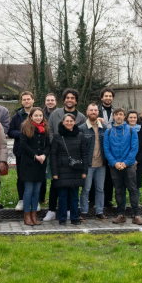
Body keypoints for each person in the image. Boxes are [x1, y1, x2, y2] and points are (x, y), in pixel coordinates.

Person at [47, 88, 86, 219]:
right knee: (56, 184)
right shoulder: (55, 114)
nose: (70, 100)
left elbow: (81, 136)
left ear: (76, 101)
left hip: (74, 159)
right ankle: (52, 210)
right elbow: (50, 130)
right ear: (64, 100)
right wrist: (58, 144)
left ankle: (70, 212)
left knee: (73, 187)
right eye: (67, 98)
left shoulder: (81, 117)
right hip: (58, 154)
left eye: (72, 98)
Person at [103, 108, 142, 225]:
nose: (119, 117)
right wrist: (115, 163)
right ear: (114, 117)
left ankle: (136, 215)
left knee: (133, 190)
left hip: (129, 165)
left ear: (124, 116)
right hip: (114, 166)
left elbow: (134, 148)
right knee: (119, 191)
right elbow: (106, 149)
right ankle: (121, 214)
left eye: (121, 114)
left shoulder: (131, 131)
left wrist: (125, 163)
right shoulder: (108, 132)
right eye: (116, 115)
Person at [50, 113, 89, 226]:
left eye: (71, 121)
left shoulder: (80, 135)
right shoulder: (57, 137)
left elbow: (84, 154)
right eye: (66, 121)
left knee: (74, 196)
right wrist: (55, 172)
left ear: (74, 122)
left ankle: (74, 218)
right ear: (63, 122)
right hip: (61, 171)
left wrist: (84, 171)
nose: (69, 123)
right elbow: (53, 156)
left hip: (76, 170)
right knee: (62, 196)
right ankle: (62, 218)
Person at [17, 107, 49, 226]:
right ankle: (27, 215)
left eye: (40, 115)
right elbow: (24, 145)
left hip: (41, 163)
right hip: (29, 163)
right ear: (31, 116)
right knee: (28, 191)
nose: (38, 117)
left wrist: (44, 155)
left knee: (37, 191)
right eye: (36, 115)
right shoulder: (25, 127)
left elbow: (48, 145)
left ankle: (34, 214)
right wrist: (36, 156)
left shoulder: (45, 128)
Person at [79, 103, 107, 220]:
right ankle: (84, 211)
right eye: (91, 110)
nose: (93, 112)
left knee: (100, 189)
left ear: (98, 112)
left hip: (101, 165)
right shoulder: (81, 128)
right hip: (88, 165)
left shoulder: (104, 128)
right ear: (87, 112)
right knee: (86, 189)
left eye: (95, 110)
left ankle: (99, 212)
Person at [10, 91, 36, 212]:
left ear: (33, 100)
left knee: (35, 176)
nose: (26, 101)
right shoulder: (17, 116)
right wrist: (22, 134)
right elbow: (10, 131)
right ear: (22, 101)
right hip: (21, 151)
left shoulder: (38, 114)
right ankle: (21, 200)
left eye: (28, 99)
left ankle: (35, 201)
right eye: (24, 99)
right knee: (21, 176)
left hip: (35, 151)